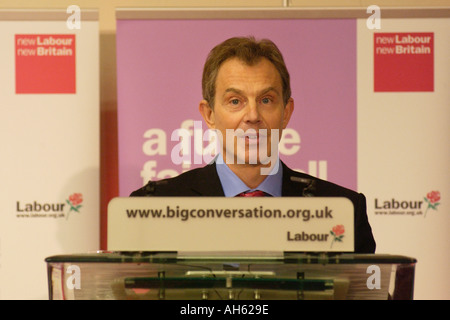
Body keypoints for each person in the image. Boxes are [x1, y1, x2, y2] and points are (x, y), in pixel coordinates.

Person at [130, 36, 376, 253]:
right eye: (235, 101)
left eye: (266, 100)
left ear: (286, 112)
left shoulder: (342, 209)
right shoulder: (153, 208)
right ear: (209, 115)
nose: (252, 115)